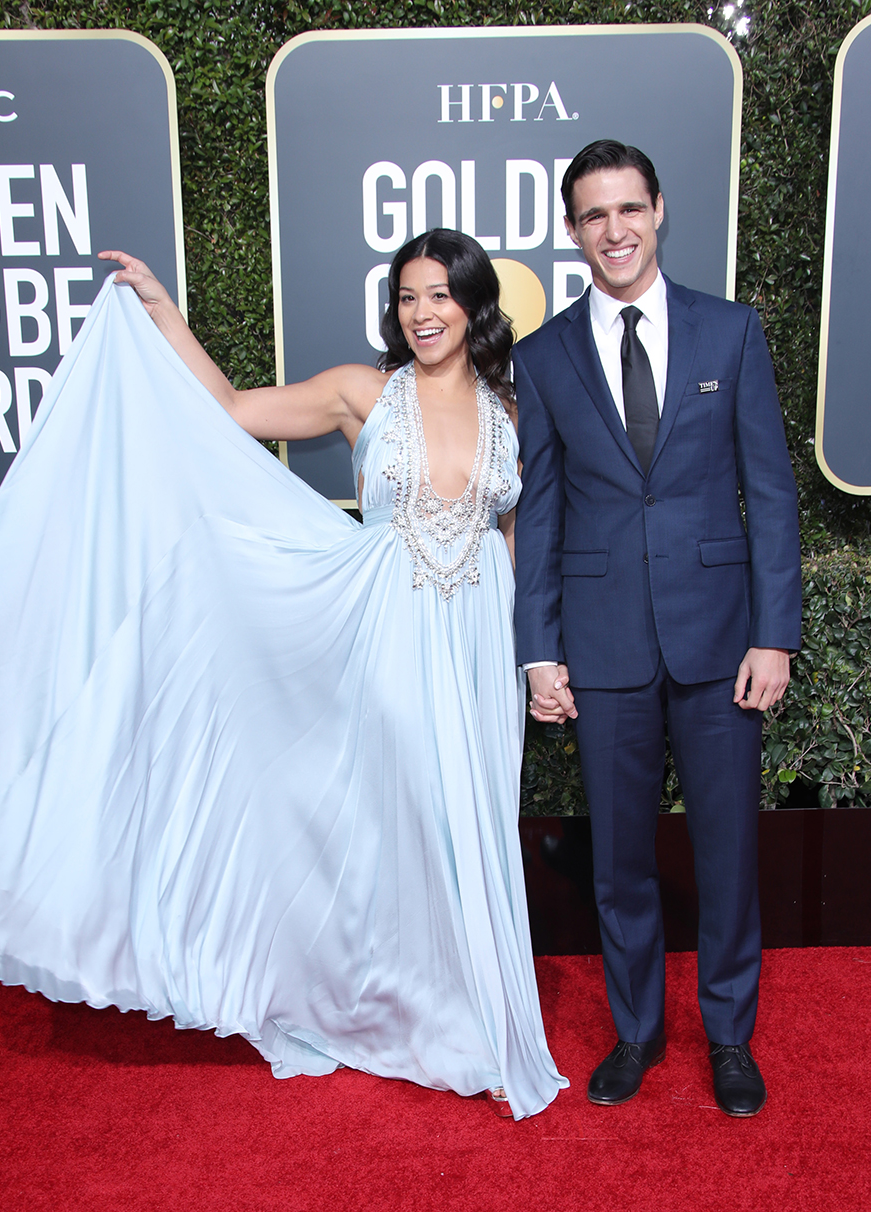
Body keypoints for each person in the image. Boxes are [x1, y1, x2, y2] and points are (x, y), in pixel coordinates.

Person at [0, 228, 567, 1120]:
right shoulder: (366, 393)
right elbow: (232, 410)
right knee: (397, 817)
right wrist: (164, 314)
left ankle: (473, 1007)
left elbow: (520, 542)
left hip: (476, 645)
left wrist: (533, 653)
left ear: (473, 303)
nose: (422, 313)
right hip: (384, 634)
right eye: (407, 297)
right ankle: (399, 1004)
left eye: (439, 295)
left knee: (467, 818)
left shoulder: (512, 410)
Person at [512, 141, 801, 1118]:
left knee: (725, 853)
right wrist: (538, 648)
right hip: (600, 649)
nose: (615, 230)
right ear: (572, 230)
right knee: (619, 859)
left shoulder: (730, 333)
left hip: (721, 640)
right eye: (594, 215)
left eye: (628, 208)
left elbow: (768, 490)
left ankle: (729, 1037)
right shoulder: (544, 354)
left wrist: (776, 634)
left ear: (658, 210)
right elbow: (542, 513)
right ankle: (635, 1032)